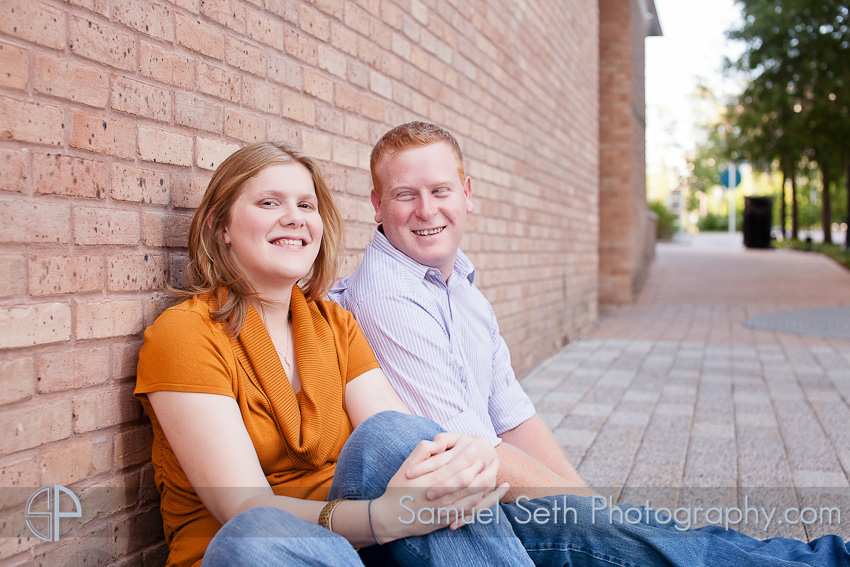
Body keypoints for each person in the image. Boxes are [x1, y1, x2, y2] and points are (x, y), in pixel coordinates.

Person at [330, 121, 850, 566]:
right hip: (452, 515)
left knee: (651, 534)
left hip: (485, 495)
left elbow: (513, 417)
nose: (426, 209)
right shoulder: (387, 296)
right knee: (640, 540)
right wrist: (592, 515)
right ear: (377, 205)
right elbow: (475, 452)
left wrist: (591, 505)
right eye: (405, 195)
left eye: (440, 191)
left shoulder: (461, 287)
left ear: (467, 192)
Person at [134, 141, 531, 567]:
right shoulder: (186, 334)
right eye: (270, 202)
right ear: (220, 225)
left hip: (359, 546)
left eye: (306, 205)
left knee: (397, 437)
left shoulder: (333, 324)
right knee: (256, 533)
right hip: (264, 555)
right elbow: (244, 505)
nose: (294, 217)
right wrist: (380, 518)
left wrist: (464, 456)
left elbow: (400, 440)